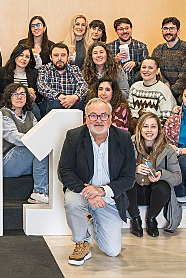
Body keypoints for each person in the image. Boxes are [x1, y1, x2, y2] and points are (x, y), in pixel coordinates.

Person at [59, 98, 135, 266]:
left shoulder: (123, 138)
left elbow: (129, 178)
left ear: (110, 118)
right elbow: (64, 171)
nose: (98, 120)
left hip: (108, 197)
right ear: (86, 118)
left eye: (103, 115)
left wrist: (101, 191)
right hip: (81, 192)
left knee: (112, 251)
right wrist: (89, 193)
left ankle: (92, 222)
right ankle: (81, 241)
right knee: (71, 201)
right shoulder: (74, 136)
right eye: (93, 115)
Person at [125, 113, 182, 238]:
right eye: (145, 126)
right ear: (139, 129)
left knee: (163, 185)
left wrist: (162, 174)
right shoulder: (128, 144)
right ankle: (135, 220)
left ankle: (151, 219)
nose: (149, 130)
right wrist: (134, 169)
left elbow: (178, 178)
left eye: (153, 126)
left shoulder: (168, 149)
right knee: (126, 182)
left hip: (154, 195)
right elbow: (116, 171)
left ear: (159, 129)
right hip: (133, 195)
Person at [0, 84, 48, 204]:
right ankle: (39, 192)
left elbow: (38, 134)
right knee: (35, 147)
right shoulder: (4, 113)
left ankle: (47, 190)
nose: (19, 97)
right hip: (8, 163)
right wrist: (35, 140)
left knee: (47, 149)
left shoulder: (30, 115)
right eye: (15, 94)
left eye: (22, 94)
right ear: (9, 97)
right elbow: (13, 137)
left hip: (25, 164)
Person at [37, 43, 89, 116]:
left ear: (68, 57)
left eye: (63, 55)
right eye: (56, 55)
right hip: (53, 104)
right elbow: (42, 86)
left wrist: (75, 97)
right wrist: (58, 96)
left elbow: (83, 86)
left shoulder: (74, 69)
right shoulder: (45, 69)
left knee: (79, 101)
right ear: (51, 57)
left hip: (73, 104)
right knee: (54, 103)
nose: (59, 58)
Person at [0, 44, 42, 119]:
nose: (24, 59)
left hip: (28, 105)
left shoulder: (34, 74)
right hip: (9, 104)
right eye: (21, 55)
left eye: (27, 57)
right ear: (15, 56)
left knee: (35, 110)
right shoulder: (2, 72)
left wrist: (34, 97)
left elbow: (39, 97)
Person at [128, 57, 176, 127]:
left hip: (156, 129)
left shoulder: (163, 90)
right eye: (144, 67)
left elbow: (167, 118)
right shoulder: (134, 87)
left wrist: (150, 118)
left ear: (157, 71)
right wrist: (139, 112)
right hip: (136, 128)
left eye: (150, 68)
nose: (146, 70)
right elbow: (128, 112)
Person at [151, 17, 186, 99]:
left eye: (172, 29)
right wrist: (165, 82)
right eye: (165, 29)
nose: (168, 32)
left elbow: (184, 76)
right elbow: (154, 70)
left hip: (181, 95)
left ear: (178, 31)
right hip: (160, 92)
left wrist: (170, 92)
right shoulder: (157, 50)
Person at [107, 18, 149, 85]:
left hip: (137, 84)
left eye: (127, 28)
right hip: (116, 85)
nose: (125, 31)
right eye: (121, 29)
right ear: (116, 31)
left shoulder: (141, 46)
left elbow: (148, 65)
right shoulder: (109, 47)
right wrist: (115, 60)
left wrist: (136, 63)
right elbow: (103, 68)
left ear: (131, 29)